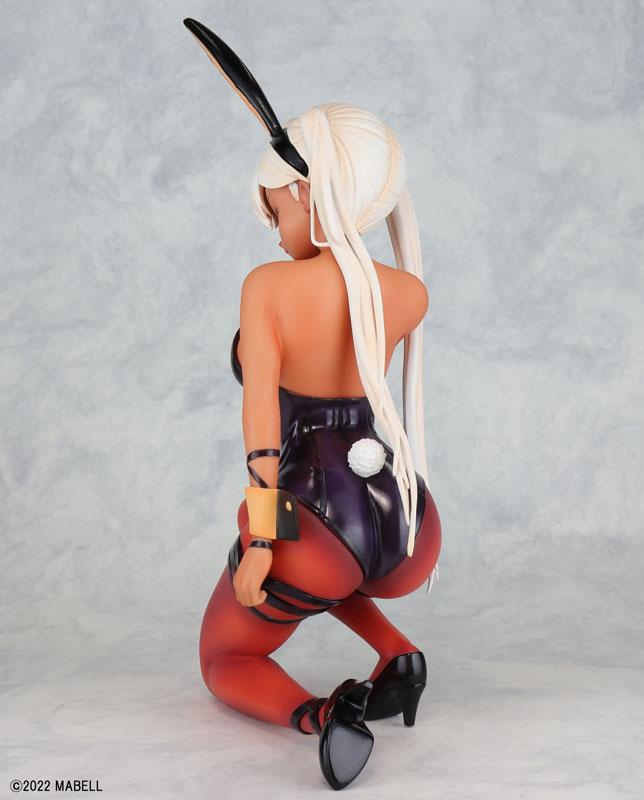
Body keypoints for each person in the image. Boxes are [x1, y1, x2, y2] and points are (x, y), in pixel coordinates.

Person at [184, 19, 441, 791]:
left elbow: (263, 425)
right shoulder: (407, 293)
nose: (274, 230)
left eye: (277, 210)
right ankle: (400, 657)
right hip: (402, 519)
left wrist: (263, 538)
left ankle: (327, 716)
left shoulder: (269, 288)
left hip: (311, 517)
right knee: (336, 575)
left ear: (307, 190)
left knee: (224, 655)